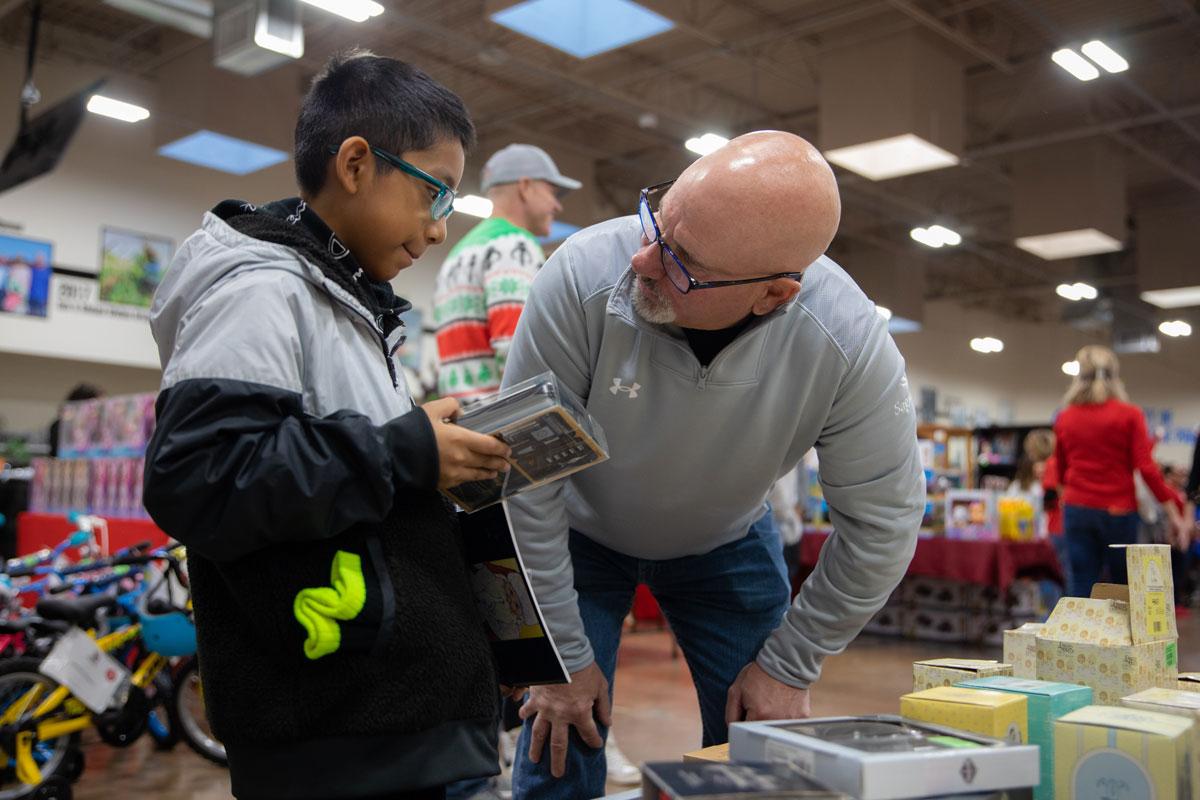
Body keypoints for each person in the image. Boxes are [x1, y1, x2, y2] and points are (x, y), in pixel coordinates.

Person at [500, 131, 925, 798]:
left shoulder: (845, 342)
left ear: (774, 294)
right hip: (575, 533)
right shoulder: (583, 276)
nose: (643, 258)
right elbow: (523, 483)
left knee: (759, 749)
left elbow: (886, 521)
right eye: (658, 222)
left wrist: (791, 665)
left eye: (684, 262)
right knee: (557, 736)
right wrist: (556, 656)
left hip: (726, 541)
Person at [142, 51, 514, 800]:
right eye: (436, 192)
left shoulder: (344, 298)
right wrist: (405, 450)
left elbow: (335, 470)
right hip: (336, 731)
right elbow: (200, 477)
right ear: (355, 164)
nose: (440, 229)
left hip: (389, 718)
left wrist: (420, 444)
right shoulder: (261, 292)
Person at [434, 144, 580, 402]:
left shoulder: (460, 252)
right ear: (525, 187)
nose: (557, 206)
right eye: (553, 192)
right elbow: (516, 350)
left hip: (462, 415)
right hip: (501, 418)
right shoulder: (514, 245)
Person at [1053, 345, 1187, 598]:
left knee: (1080, 584)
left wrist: (1069, 501)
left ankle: (1077, 626)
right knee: (1123, 587)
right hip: (1118, 509)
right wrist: (1173, 513)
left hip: (1077, 508)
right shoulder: (1129, 415)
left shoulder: (1066, 417)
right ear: (1114, 375)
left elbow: (1059, 470)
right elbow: (1146, 468)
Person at [47, 383, 103, 457]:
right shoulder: (60, 426)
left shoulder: (96, 427)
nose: (98, 412)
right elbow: (58, 453)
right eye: (94, 406)